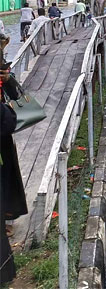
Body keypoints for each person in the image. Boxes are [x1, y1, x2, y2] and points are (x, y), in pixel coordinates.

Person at [0, 58, 29, 284]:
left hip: (3, 140)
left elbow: (18, 96)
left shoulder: (5, 79)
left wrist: (8, 80)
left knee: (9, 177)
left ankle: (8, 217)